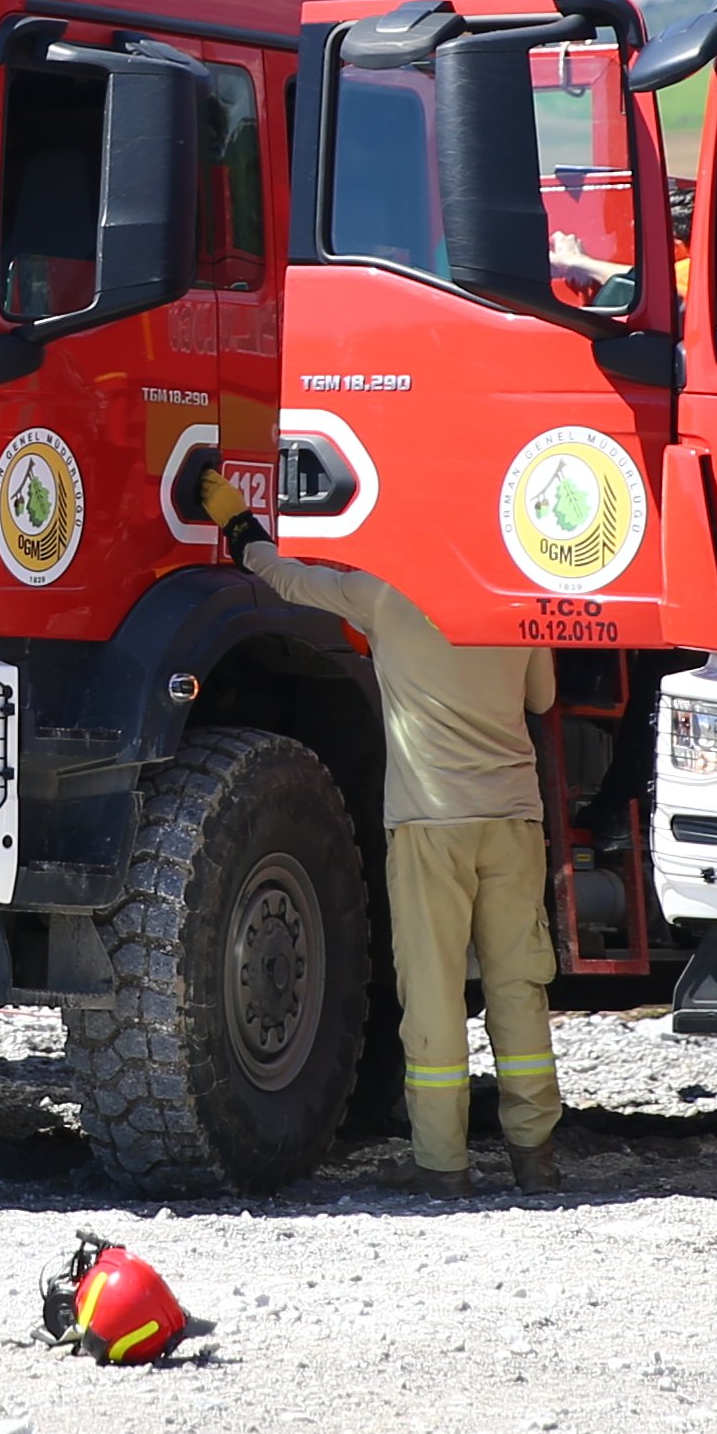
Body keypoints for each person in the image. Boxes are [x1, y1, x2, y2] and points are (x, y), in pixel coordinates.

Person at [199, 468, 565, 1193]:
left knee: (431, 991)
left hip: (432, 826)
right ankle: (536, 1157)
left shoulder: (385, 599)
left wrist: (238, 523)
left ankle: (442, 1165)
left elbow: (287, 581)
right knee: (518, 986)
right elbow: (543, 696)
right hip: (514, 822)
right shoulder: (515, 604)